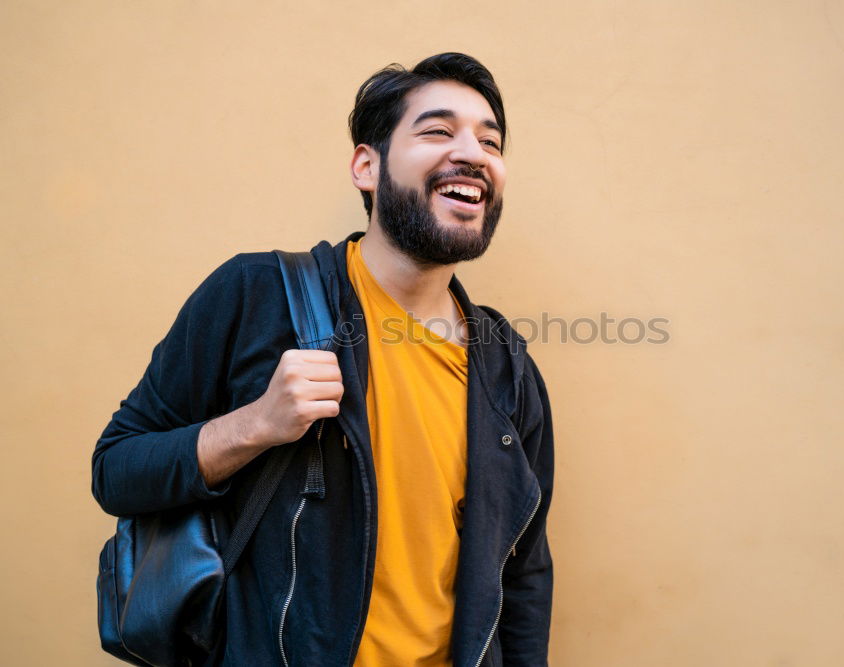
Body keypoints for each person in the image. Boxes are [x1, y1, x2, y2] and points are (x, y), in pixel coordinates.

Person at [91, 52, 555, 666]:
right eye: (438, 131)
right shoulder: (257, 294)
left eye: (490, 141)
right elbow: (116, 469)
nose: (472, 152)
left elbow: (523, 572)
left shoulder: (508, 367)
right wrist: (255, 425)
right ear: (367, 165)